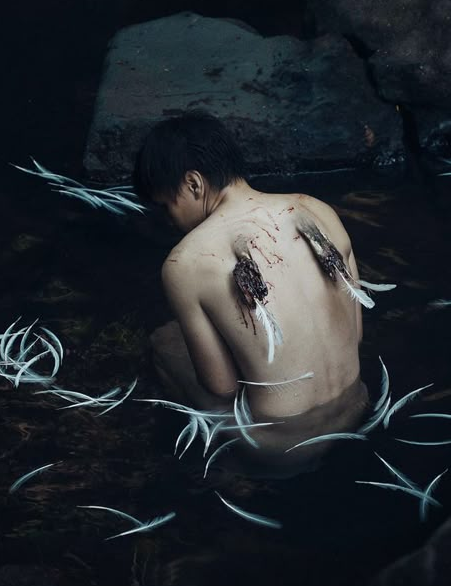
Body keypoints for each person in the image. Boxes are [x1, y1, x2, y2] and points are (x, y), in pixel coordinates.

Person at [134, 112, 370, 473]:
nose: (170, 218)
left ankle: (228, 474)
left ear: (194, 184)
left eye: (168, 205)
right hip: (359, 410)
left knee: (164, 342)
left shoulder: (185, 262)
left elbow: (222, 387)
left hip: (283, 443)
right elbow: (355, 334)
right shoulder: (316, 209)